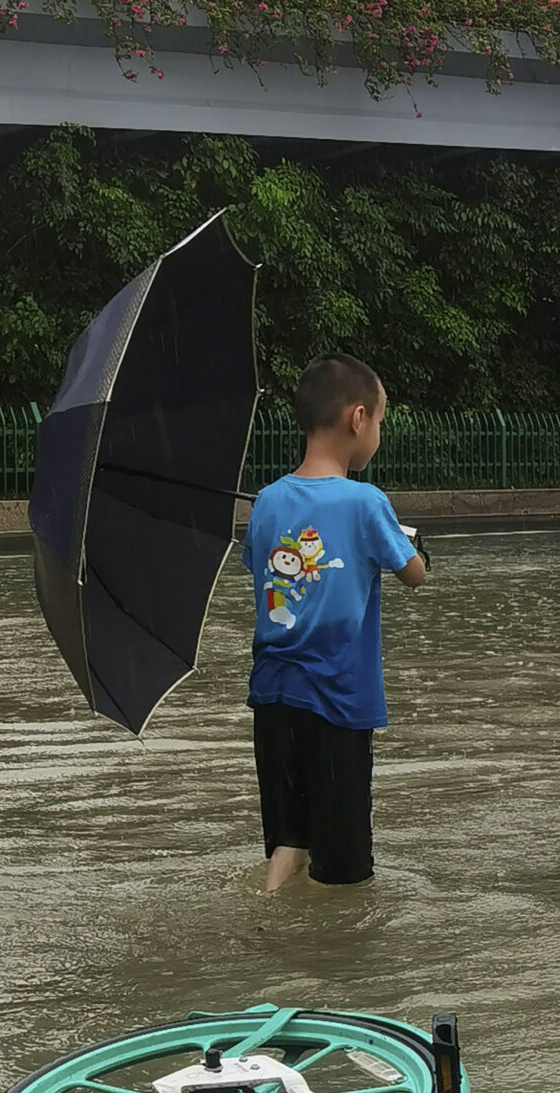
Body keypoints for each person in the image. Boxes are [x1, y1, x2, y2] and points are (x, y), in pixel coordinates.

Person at [243, 354, 429, 892]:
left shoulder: (268, 501)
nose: (378, 434)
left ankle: (265, 918)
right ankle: (344, 965)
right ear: (357, 418)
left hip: (273, 697)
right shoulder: (366, 501)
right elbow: (413, 575)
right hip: (338, 703)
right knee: (345, 871)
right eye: (381, 422)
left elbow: (260, 566)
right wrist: (414, 545)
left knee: (288, 840)